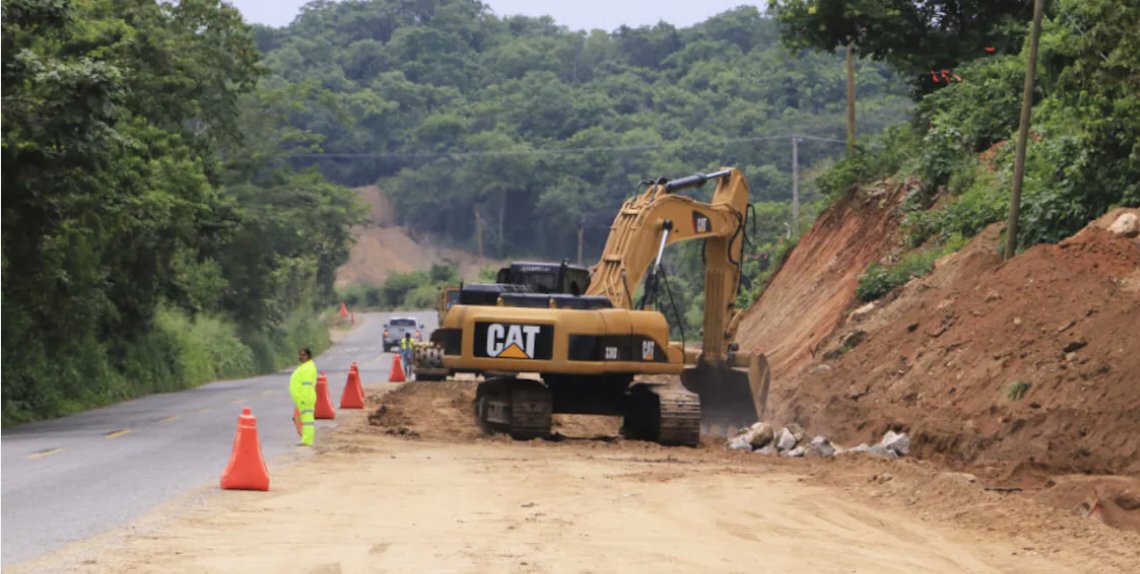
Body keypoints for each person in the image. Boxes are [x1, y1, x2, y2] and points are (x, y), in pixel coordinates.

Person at [290, 347, 318, 446]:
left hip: (305, 398)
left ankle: (307, 440)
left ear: (309, 356)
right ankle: (304, 437)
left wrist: (303, 399)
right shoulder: (305, 366)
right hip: (301, 398)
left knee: (307, 420)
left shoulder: (308, 368)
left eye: (303, 355)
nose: (301, 357)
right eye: (300, 355)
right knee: (299, 418)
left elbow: (306, 385)